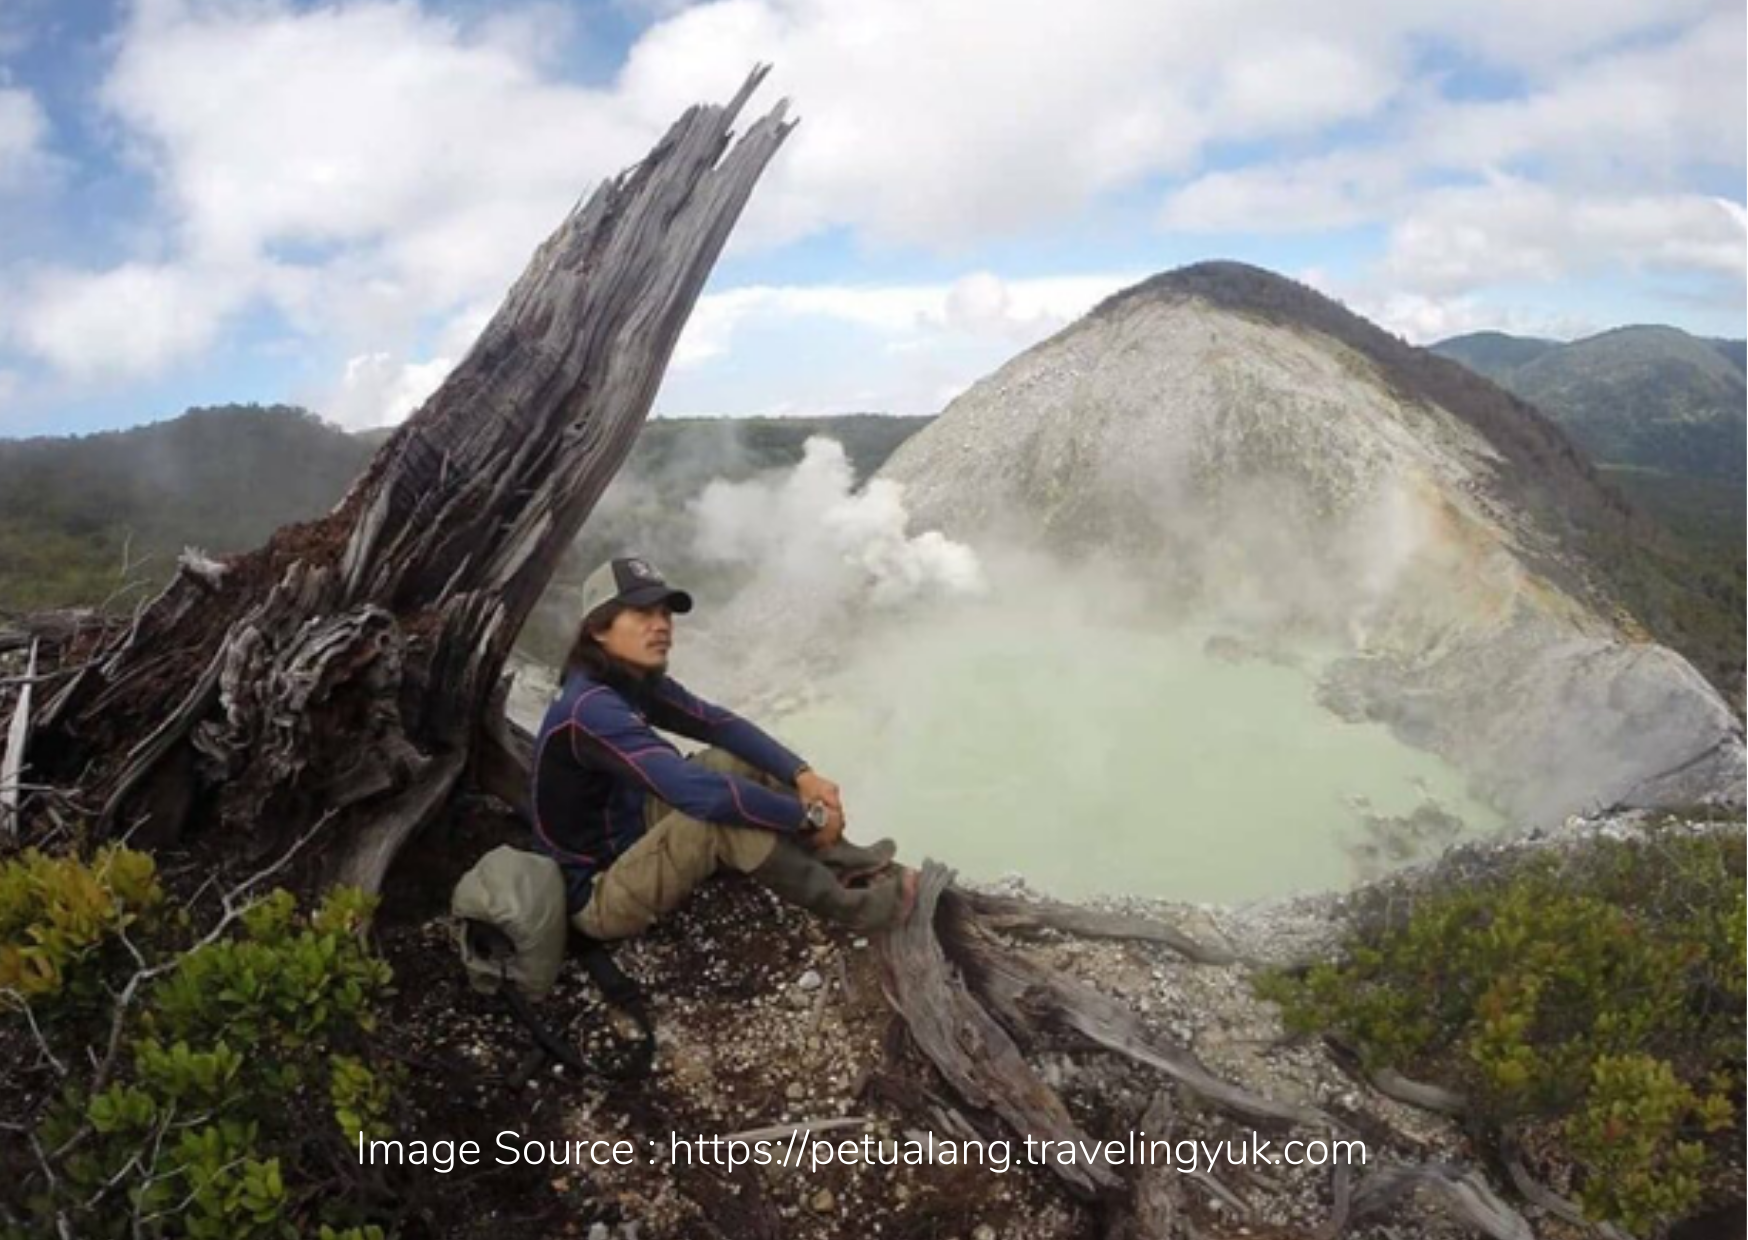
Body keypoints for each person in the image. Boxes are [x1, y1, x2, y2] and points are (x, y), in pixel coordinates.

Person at [531, 556, 916, 941]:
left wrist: (802, 774)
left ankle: (833, 856)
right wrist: (808, 815)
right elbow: (701, 797)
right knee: (715, 820)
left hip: (630, 825)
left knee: (734, 761)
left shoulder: (623, 678)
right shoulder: (589, 709)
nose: (661, 625)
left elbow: (718, 724)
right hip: (599, 891)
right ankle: (856, 909)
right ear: (598, 628)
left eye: (665, 613)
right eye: (642, 613)